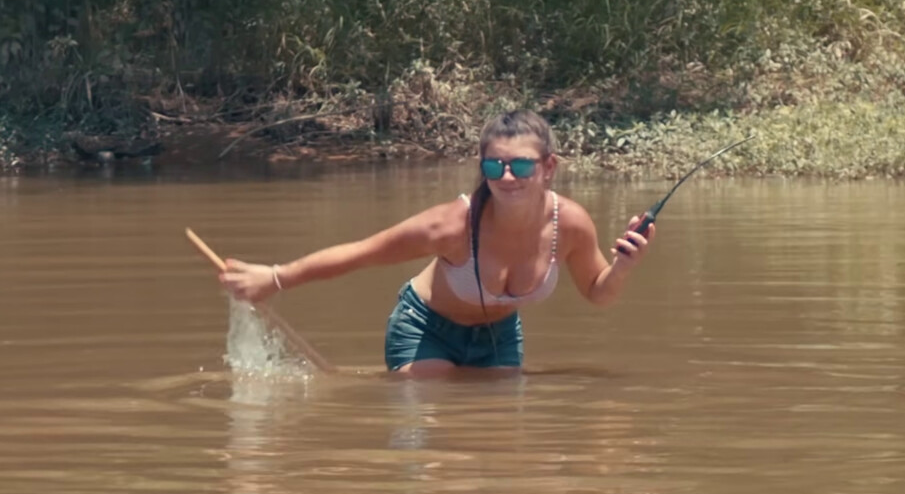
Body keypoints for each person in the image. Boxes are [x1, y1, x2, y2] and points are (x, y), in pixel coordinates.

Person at [217, 110, 653, 375]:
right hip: (425, 328)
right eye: (494, 166)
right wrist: (274, 278)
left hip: (499, 336)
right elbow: (362, 253)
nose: (506, 177)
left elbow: (599, 293)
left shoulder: (570, 224)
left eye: (521, 166)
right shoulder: (452, 226)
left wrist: (624, 267)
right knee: (434, 423)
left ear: (548, 167)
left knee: (503, 433)